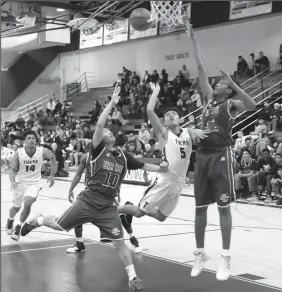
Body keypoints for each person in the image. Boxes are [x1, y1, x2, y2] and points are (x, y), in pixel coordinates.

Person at [21, 86, 169, 291]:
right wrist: (112, 103)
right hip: (88, 200)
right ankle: (37, 219)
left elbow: (146, 166)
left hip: (108, 206)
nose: (106, 131)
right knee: (58, 226)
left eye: (110, 131)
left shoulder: (124, 156)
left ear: (115, 137)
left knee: (119, 243)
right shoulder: (98, 150)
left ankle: (133, 277)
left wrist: (162, 167)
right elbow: (100, 124)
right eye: (105, 131)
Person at [188, 24, 256, 281]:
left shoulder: (231, 103)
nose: (215, 83)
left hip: (221, 155)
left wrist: (235, 83)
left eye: (220, 82)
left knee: (223, 208)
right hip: (202, 156)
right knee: (199, 208)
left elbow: (253, 105)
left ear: (227, 89)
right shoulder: (207, 99)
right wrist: (193, 39)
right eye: (216, 82)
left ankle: (225, 257)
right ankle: (200, 252)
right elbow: (202, 67)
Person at [118, 82, 209, 222]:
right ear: (164, 122)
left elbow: (201, 137)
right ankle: (117, 209)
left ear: (180, 119)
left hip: (179, 183)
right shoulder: (163, 133)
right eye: (167, 115)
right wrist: (156, 91)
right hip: (165, 179)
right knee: (138, 212)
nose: (171, 115)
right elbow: (149, 110)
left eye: (174, 114)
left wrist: (198, 129)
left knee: (161, 217)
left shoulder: (188, 132)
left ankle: (131, 206)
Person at [65, 153, 142, 254]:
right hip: (91, 192)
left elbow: (116, 176)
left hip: (107, 194)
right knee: (77, 215)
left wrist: (117, 193)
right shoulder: (86, 157)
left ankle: (134, 240)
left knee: (119, 215)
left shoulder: (110, 157)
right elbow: (78, 174)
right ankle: (79, 244)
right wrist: (71, 189)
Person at [6, 130, 56, 241]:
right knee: (16, 208)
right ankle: (10, 220)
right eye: (29, 138)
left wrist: (52, 175)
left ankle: (18, 226)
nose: (32, 140)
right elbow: (12, 170)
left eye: (33, 138)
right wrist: (13, 181)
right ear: (24, 141)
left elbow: (53, 158)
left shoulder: (42, 151)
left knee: (28, 202)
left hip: (34, 183)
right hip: (20, 183)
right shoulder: (18, 153)